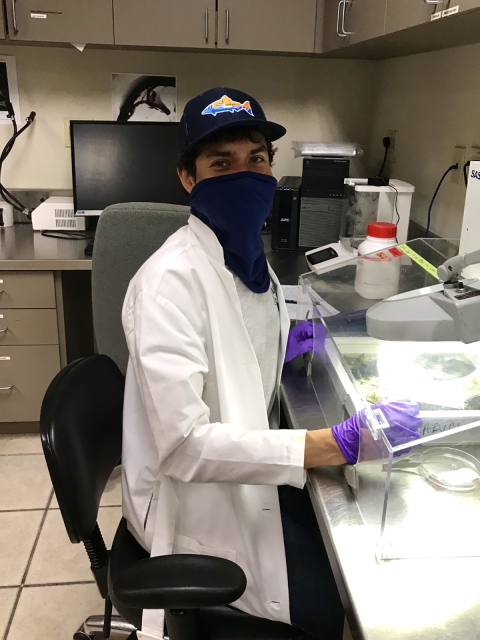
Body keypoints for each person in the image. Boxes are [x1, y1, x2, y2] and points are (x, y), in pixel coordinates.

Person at [121, 87, 422, 640]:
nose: (245, 172)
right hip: (191, 505)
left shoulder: (246, 260)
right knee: (330, 608)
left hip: (245, 471)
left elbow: (243, 343)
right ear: (188, 178)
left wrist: (287, 339)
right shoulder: (168, 284)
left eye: (256, 158)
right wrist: (332, 444)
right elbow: (185, 445)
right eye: (221, 162)